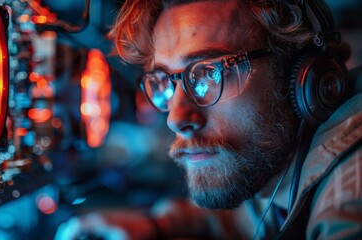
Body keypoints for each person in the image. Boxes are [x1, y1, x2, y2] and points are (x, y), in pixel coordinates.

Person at [55, 0, 362, 239]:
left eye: (210, 74)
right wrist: (156, 225)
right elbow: (245, 220)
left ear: (300, 77)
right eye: (165, 82)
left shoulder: (348, 204)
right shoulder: (283, 169)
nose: (176, 118)